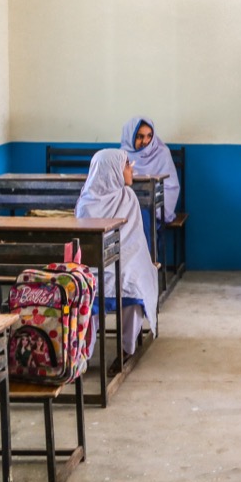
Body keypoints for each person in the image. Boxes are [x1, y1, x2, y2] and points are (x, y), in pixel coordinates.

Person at [76, 149, 159, 357]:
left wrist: (123, 263)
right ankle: (83, 352)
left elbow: (134, 241)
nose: (132, 168)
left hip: (128, 258)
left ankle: (126, 349)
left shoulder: (128, 197)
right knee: (88, 285)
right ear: (111, 171)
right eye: (127, 165)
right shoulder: (87, 201)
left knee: (131, 282)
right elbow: (86, 247)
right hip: (95, 264)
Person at [120, 115, 180, 223]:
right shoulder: (121, 155)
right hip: (127, 205)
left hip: (153, 207)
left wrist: (151, 205)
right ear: (130, 137)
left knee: (142, 217)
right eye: (140, 136)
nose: (145, 141)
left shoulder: (162, 153)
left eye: (149, 136)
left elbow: (170, 187)